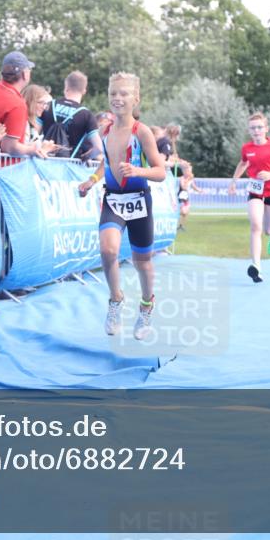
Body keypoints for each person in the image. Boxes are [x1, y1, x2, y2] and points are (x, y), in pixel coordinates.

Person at [78, 72, 166, 340]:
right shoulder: (104, 131)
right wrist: (92, 180)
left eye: (124, 93)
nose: (118, 98)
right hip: (113, 199)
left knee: (144, 265)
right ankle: (116, 299)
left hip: (139, 200)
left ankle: (146, 306)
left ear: (135, 99)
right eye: (113, 93)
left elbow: (161, 171)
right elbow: (108, 162)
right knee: (107, 249)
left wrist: (138, 171)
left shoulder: (143, 132)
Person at [227, 113, 270, 283]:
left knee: (269, 229)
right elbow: (242, 163)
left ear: (266, 129)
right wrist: (234, 181)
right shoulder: (247, 148)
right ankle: (256, 266)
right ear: (249, 130)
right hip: (255, 191)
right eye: (253, 128)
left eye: (259, 127)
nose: (256, 130)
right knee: (256, 225)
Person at [0, 51, 55, 158]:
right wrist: (34, 149)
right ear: (25, 74)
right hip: (3, 168)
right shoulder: (17, 105)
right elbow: (9, 147)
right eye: (29, 69)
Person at [41, 70, 102, 160]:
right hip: (70, 166)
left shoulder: (49, 105)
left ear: (66, 87)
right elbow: (99, 148)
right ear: (84, 91)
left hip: (44, 163)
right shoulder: (86, 115)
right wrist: (85, 157)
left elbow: (34, 133)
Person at [177, 164, 203, 231]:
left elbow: (194, 187)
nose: (190, 172)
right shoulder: (182, 178)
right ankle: (176, 215)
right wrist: (188, 179)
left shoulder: (191, 179)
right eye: (188, 170)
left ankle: (181, 226)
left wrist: (200, 191)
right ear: (185, 171)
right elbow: (183, 187)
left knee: (185, 213)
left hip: (186, 197)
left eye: (190, 171)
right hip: (181, 196)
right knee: (183, 212)